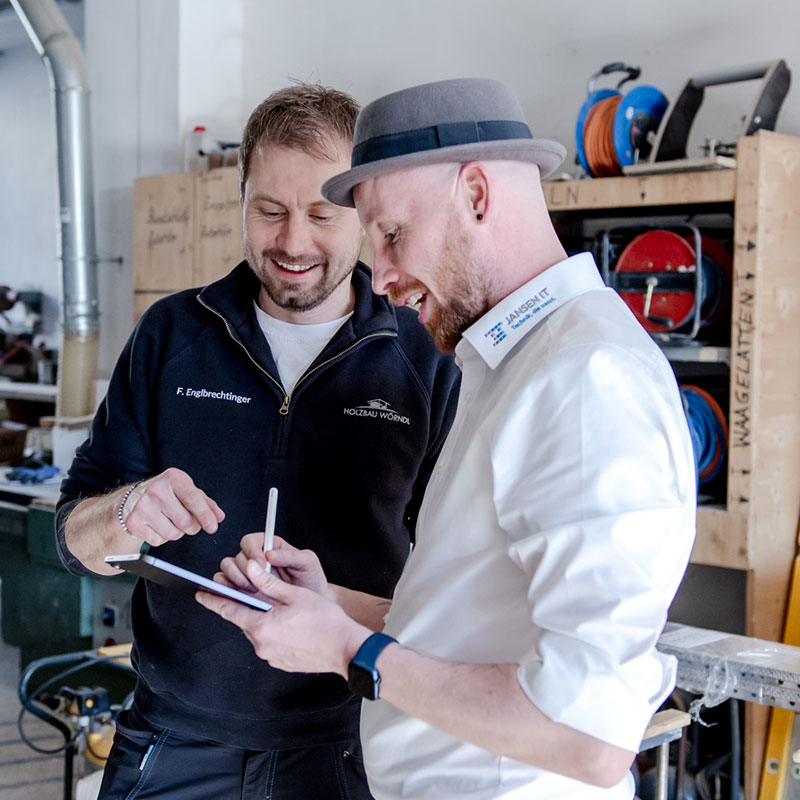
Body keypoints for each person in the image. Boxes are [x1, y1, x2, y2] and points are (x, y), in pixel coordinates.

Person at [198, 78, 697, 800]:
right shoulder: (511, 362)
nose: (385, 278)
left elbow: (591, 736)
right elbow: (477, 623)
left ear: (477, 195)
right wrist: (332, 604)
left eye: (394, 236)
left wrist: (349, 650)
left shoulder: (587, 377)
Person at [55, 82, 460, 799]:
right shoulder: (170, 335)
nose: (293, 243)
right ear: (239, 202)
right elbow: (72, 540)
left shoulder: (423, 356)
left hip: (350, 748)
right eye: (269, 211)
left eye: (321, 214)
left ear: (363, 210)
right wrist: (123, 514)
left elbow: (459, 592)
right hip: (172, 741)